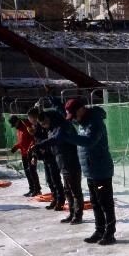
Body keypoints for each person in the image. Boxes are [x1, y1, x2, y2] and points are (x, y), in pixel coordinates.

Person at [51, 98, 116, 245]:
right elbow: (65, 112)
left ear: (81, 109)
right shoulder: (82, 120)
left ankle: (109, 233)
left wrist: (66, 137)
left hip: (101, 170)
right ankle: (99, 230)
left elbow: (89, 141)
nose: (73, 119)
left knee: (105, 203)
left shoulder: (94, 122)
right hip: (90, 170)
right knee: (94, 202)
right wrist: (54, 101)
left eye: (74, 115)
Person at [40, 109, 85, 225]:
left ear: (51, 118)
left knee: (75, 190)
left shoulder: (63, 126)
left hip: (71, 162)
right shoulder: (52, 129)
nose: (43, 125)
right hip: (62, 164)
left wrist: (41, 144)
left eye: (44, 121)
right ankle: (71, 213)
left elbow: (56, 140)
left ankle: (78, 215)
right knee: (67, 190)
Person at [27, 107, 65, 211]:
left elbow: (49, 140)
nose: (30, 121)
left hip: (52, 156)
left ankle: (60, 199)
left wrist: (44, 148)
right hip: (45, 157)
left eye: (31, 118)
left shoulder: (46, 126)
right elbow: (37, 142)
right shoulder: (36, 128)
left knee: (55, 179)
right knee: (49, 179)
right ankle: (55, 198)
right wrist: (35, 155)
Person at [8, 115, 41, 197]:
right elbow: (21, 142)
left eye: (14, 124)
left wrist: (31, 148)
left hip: (30, 153)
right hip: (24, 153)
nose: (14, 127)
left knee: (32, 172)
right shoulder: (18, 129)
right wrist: (15, 147)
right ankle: (31, 189)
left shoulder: (26, 126)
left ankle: (37, 189)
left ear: (17, 121)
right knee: (27, 172)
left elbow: (33, 139)